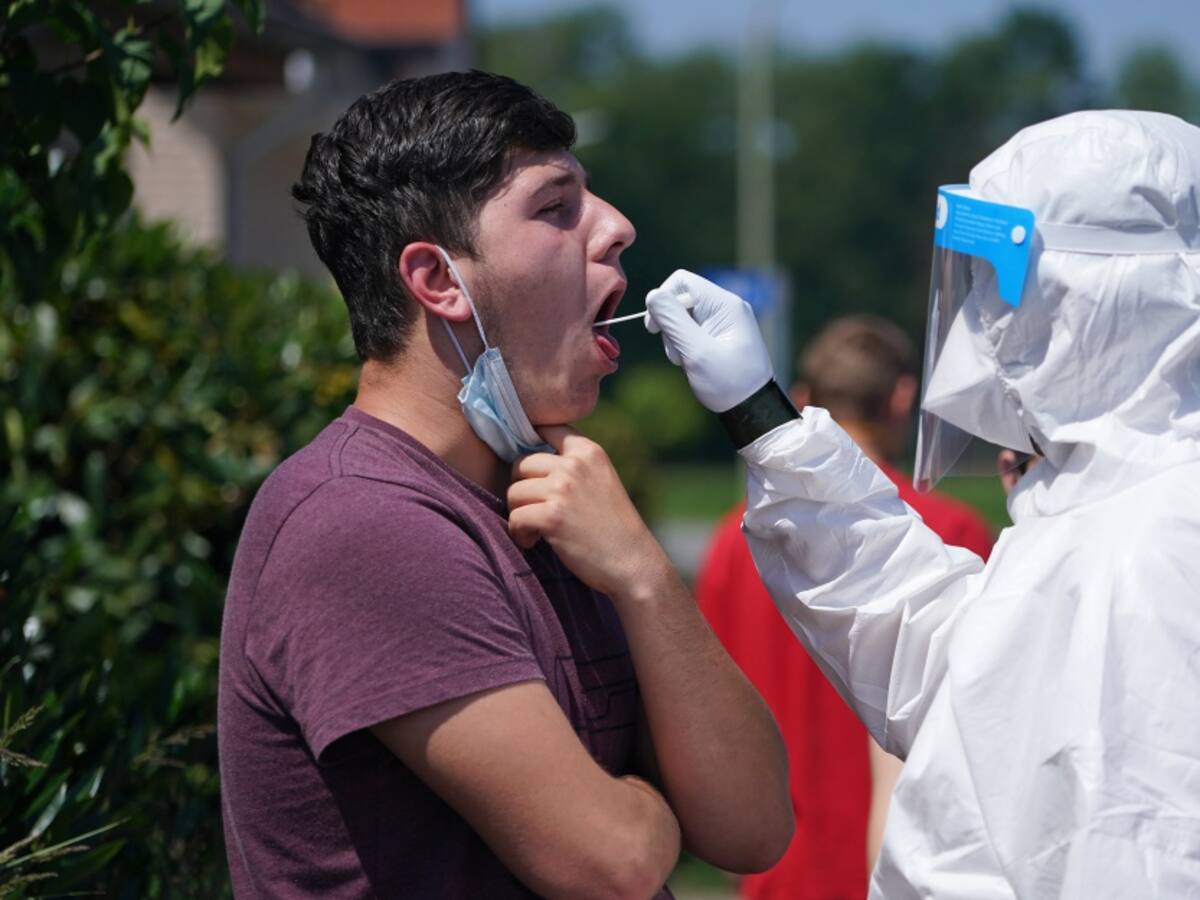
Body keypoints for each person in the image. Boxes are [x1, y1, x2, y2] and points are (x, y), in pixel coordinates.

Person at [218, 71, 792, 899]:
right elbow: (616, 863)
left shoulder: (552, 503)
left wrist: (642, 574)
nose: (618, 227)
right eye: (555, 207)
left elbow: (754, 825)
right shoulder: (364, 523)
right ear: (438, 280)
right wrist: (657, 803)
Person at [647, 109, 1200, 897]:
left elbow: (1146, 851)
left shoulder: (1164, 540)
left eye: (1002, 283)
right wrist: (761, 418)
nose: (982, 322)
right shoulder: (1105, 510)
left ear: (1103, 295)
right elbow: (939, 657)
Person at [695, 316, 993, 900]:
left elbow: (709, 706)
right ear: (903, 398)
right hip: (898, 870)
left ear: (800, 400)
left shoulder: (737, 538)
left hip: (774, 869)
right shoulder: (949, 534)